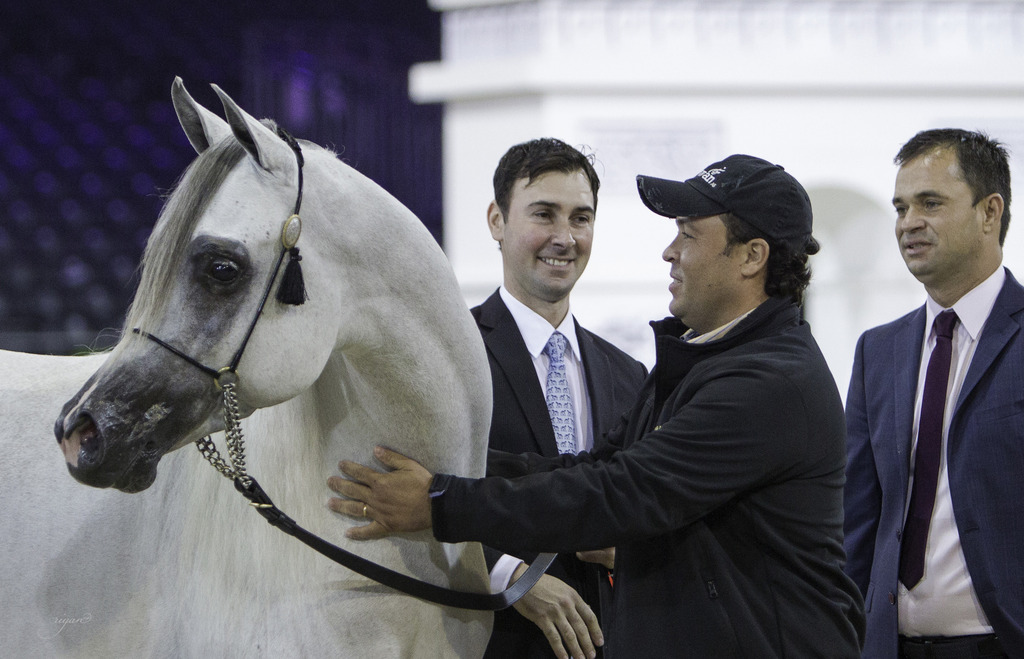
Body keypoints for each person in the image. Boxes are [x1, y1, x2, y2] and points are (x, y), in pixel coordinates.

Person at [328, 154, 866, 657]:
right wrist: (446, 473)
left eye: (687, 234)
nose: (670, 252)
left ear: (752, 257)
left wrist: (442, 503)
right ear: (497, 221)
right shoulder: (701, 361)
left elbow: (620, 492)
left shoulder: (768, 381)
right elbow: (593, 468)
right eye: (543, 213)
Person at [844, 129, 1023, 658]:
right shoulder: (878, 351)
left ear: (990, 212)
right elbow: (858, 521)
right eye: (901, 208)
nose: (908, 223)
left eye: (930, 203)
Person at [473, 138, 647, 659]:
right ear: (497, 221)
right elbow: (414, 495)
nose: (565, 238)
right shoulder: (451, 354)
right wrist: (511, 576)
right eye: (544, 214)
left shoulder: (629, 375)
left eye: (581, 218)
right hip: (489, 642)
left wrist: (628, 547)